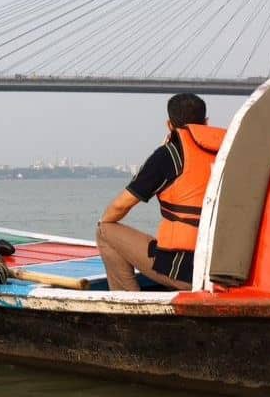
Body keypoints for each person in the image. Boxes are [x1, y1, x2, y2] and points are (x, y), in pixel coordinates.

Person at [96, 93, 226, 291]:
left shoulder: (169, 155)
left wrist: (104, 220)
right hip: (223, 271)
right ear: (206, 122)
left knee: (104, 231)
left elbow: (120, 206)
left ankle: (129, 303)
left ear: (169, 125)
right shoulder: (228, 154)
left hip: (185, 272)